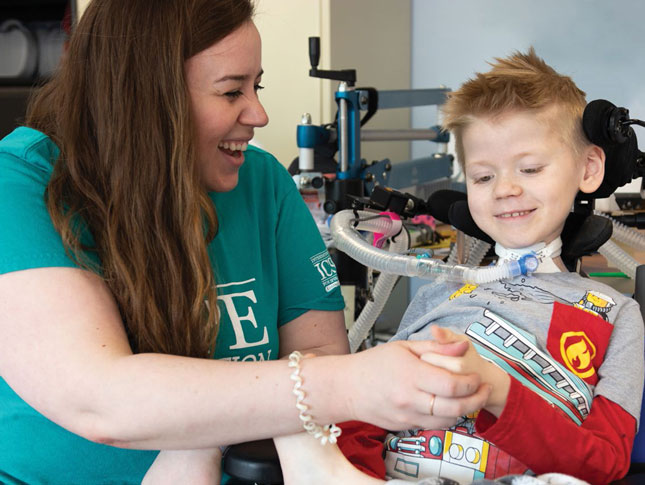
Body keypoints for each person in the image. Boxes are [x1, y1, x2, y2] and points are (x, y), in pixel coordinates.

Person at [0, 0, 493, 483]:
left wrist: (205, 440)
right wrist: (355, 383)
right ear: (146, 98)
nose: (258, 114)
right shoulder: (21, 186)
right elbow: (99, 398)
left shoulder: (262, 184)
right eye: (231, 91)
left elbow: (320, 349)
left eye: (256, 86)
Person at [287, 49, 645, 485]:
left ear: (588, 168)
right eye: (482, 177)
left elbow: (605, 461)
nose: (506, 189)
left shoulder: (614, 313)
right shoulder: (442, 293)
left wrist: (498, 392)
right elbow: (366, 414)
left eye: (530, 168)